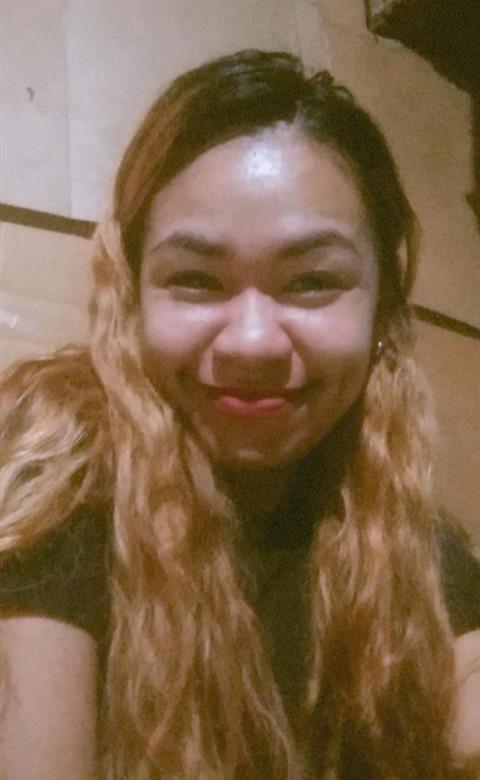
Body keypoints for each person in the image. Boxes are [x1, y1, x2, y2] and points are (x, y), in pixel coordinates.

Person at [0, 49, 479, 780]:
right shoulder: (59, 484)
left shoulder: (411, 541)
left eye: (312, 281)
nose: (252, 344)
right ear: (132, 298)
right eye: (195, 279)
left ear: (383, 306)